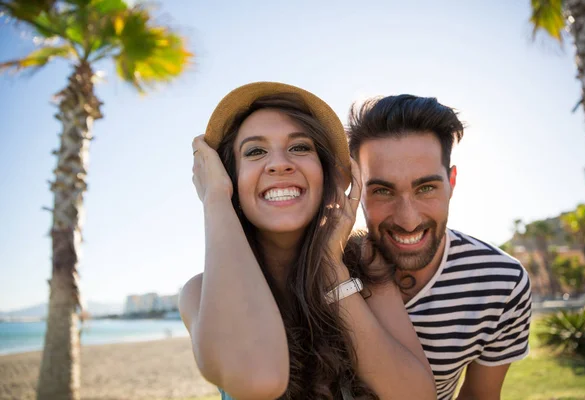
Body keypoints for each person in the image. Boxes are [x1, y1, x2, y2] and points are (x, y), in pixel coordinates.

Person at [179, 82, 436, 400]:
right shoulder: (198, 293)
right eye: (255, 151)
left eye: (300, 147)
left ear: (326, 174)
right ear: (230, 180)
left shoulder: (364, 261)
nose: (279, 163)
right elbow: (258, 379)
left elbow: (417, 396)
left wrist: (332, 270)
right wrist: (215, 199)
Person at [343, 95, 532, 400]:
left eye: (426, 188)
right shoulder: (325, 265)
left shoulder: (501, 282)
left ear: (451, 181)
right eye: (382, 190)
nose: (408, 220)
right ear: (356, 189)